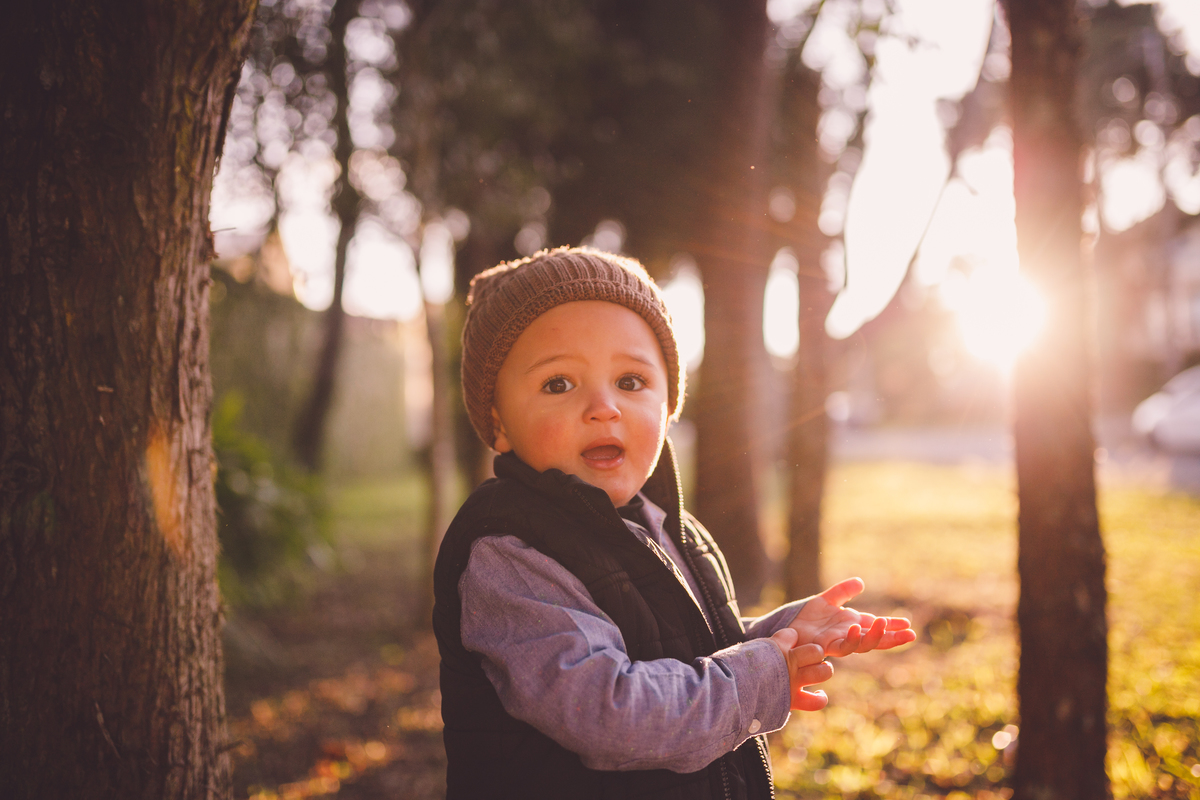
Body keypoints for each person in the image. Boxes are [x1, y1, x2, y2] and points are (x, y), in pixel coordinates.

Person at [432, 246, 915, 799]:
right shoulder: (509, 551)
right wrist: (761, 672)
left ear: (669, 405)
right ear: (499, 423)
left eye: (631, 382)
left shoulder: (665, 527)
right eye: (559, 384)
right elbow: (611, 712)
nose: (604, 407)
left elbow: (681, 649)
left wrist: (779, 634)